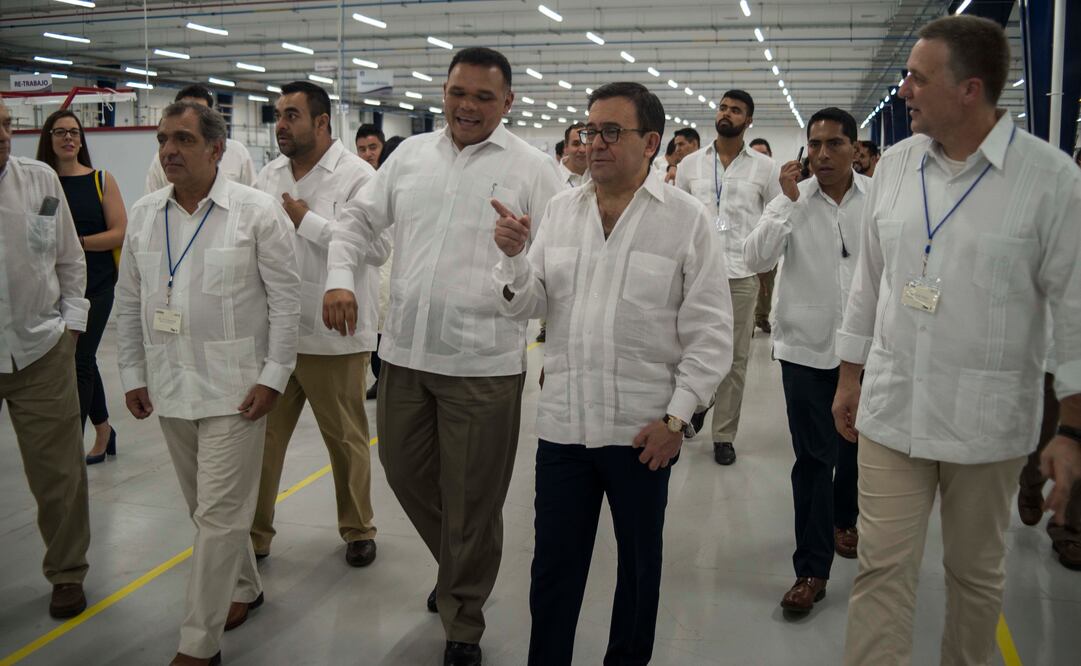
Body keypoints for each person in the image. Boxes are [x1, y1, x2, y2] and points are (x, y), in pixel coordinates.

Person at [831, 15, 1081, 665]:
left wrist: (1072, 428)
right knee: (880, 572)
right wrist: (849, 374)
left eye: (916, 77)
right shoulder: (895, 166)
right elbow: (869, 279)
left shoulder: (1049, 182)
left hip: (985, 424)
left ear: (969, 90)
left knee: (974, 580)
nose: (904, 88)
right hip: (892, 407)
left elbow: (1074, 309)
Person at [322, 47, 562, 666]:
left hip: (483, 363)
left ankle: (463, 620)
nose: (467, 106)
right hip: (403, 353)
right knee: (404, 473)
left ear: (507, 103)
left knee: (474, 499)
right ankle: (460, 562)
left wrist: (520, 253)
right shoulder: (409, 157)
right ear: (444, 93)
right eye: (458, 92)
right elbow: (357, 222)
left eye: (484, 96)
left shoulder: (534, 169)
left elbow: (556, 271)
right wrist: (339, 278)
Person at [492, 81, 732, 665]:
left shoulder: (686, 221)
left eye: (610, 131)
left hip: (641, 432)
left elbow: (711, 333)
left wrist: (678, 419)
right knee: (552, 570)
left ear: (651, 142)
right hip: (565, 429)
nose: (593, 142)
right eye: (588, 130)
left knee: (638, 569)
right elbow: (531, 304)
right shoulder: (560, 211)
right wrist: (515, 257)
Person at [116, 101, 300, 666]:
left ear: (216, 150)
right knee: (207, 510)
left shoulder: (257, 212)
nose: (169, 150)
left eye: (183, 140)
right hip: (171, 385)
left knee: (219, 516)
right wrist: (132, 373)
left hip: (237, 391)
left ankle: (199, 645)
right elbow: (129, 303)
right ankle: (244, 586)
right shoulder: (147, 214)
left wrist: (274, 376)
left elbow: (288, 303)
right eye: (163, 139)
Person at [251, 81, 383, 565]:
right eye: (278, 115)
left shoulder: (357, 177)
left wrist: (308, 220)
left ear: (322, 122)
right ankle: (255, 534)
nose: (281, 124)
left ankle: (358, 528)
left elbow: (378, 249)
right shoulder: (268, 176)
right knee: (262, 442)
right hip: (276, 336)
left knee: (345, 440)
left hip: (335, 337)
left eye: (291, 115)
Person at [744, 107, 868, 615]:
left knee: (856, 448)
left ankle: (845, 517)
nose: (821, 154)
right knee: (815, 459)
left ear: (855, 149)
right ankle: (811, 569)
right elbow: (754, 260)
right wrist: (784, 205)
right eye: (814, 144)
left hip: (864, 352)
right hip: (804, 350)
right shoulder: (791, 201)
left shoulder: (878, 200)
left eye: (834, 144)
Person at [0, 98, 92, 621]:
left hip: (41, 348)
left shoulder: (38, 182)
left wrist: (71, 330)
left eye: (7, 124)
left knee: (58, 474)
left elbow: (69, 257)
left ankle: (67, 572)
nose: (2, 135)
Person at [676, 89, 781, 466]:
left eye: (736, 110)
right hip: (696, 275)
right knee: (690, 350)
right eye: (722, 107)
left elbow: (774, 216)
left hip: (740, 275)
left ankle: (724, 435)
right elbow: (678, 216)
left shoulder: (764, 169)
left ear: (748, 120)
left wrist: (765, 263)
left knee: (735, 360)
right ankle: (698, 402)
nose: (727, 113)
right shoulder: (690, 166)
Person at [35, 110, 127, 464]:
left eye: (74, 132)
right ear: (50, 138)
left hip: (97, 285)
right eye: (60, 132)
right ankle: (105, 429)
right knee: (79, 359)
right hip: (51, 288)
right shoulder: (42, 183)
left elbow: (119, 231)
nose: (69, 138)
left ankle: (72, 445)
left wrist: (77, 243)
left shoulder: (101, 179)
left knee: (80, 360)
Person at [1017, 367, 1081, 569]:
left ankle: (1072, 527)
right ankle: (1031, 486)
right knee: (1043, 430)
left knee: (1075, 442)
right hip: (1055, 360)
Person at [144, 85, 255, 195]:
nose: (191, 117)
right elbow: (152, 202)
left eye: (199, 112)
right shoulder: (162, 160)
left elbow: (253, 195)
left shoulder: (237, 153)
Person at [365, 135, 405, 401]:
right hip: (381, 270)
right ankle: (382, 379)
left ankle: (392, 380)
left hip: (400, 269)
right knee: (378, 329)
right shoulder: (375, 189)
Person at [748, 137, 776, 334]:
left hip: (766, 241)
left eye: (763, 154)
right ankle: (747, 320)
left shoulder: (773, 176)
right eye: (755, 153)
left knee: (766, 283)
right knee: (746, 286)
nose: (759, 158)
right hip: (742, 242)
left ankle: (762, 317)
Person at [558, 121, 589, 187]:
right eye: (576, 144)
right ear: (566, 147)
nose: (582, 150)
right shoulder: (555, 178)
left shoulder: (600, 176)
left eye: (586, 144)